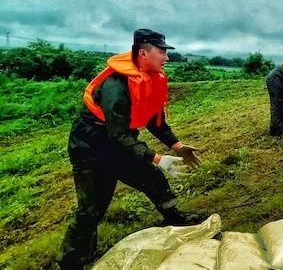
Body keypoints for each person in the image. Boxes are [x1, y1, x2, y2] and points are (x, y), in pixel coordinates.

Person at [57, 29, 203, 269]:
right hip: (91, 147)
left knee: (152, 178)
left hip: (120, 142)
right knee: (91, 209)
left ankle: (175, 218)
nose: (166, 57)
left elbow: (154, 120)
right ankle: (71, 262)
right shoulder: (117, 87)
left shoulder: (150, 79)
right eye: (162, 52)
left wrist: (177, 146)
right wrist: (157, 158)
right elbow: (118, 135)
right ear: (143, 53)